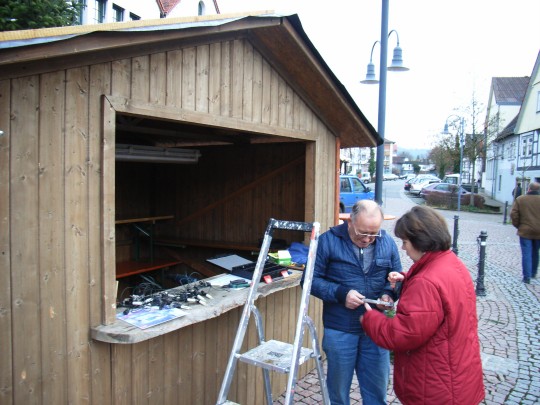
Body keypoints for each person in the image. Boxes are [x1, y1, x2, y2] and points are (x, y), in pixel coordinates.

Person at [360, 206, 485, 405]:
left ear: (421, 241)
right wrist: (408, 279)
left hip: (435, 386)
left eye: (405, 242)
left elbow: (403, 334)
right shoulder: (452, 263)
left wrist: (370, 318)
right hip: (458, 375)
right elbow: (439, 295)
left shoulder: (426, 282)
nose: (403, 248)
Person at [303, 200, 402, 405]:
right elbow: (309, 280)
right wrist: (341, 293)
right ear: (349, 222)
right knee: (338, 393)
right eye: (362, 233)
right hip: (340, 328)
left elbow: (396, 280)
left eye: (373, 234)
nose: (367, 239)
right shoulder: (328, 241)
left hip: (376, 328)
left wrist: (388, 296)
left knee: (377, 392)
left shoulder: (387, 242)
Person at [510, 181, 540, 283]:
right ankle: (533, 272)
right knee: (536, 252)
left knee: (526, 253)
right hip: (539, 232)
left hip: (525, 230)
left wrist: (518, 225)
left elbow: (514, 214)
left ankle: (526, 277)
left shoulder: (521, 199)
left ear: (529, 189)